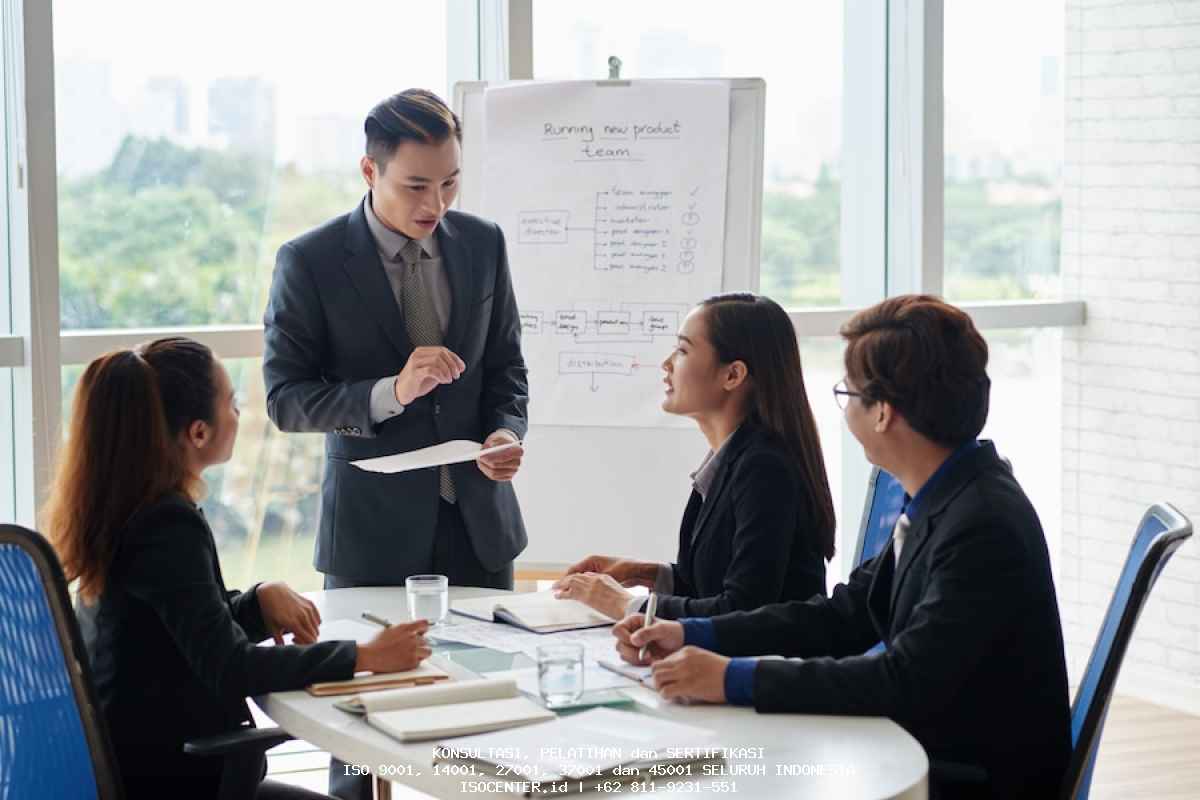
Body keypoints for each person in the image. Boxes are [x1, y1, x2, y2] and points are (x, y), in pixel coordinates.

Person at [613, 295, 1072, 799]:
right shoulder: (948, 495)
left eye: (846, 393)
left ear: (883, 413)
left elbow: (903, 681)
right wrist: (688, 631)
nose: (842, 410)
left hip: (969, 779)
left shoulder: (981, 524)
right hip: (933, 750)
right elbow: (845, 616)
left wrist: (733, 678)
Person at [262, 88, 527, 800]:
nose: (435, 203)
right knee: (359, 735)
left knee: (492, 725)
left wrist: (507, 431)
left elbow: (507, 369)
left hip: (478, 523)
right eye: (416, 185)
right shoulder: (309, 261)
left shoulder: (484, 243)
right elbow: (285, 398)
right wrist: (389, 392)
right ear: (368, 171)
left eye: (450, 182)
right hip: (371, 535)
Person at [44, 337, 431, 800]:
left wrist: (255, 601)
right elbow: (231, 667)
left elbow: (184, 626)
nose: (239, 414)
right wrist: (366, 657)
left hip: (135, 770)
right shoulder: (166, 524)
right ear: (198, 433)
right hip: (176, 781)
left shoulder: (127, 509)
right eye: (230, 403)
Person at [552, 293, 834, 621]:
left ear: (733, 375)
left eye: (683, 350)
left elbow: (742, 611)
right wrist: (644, 573)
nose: (667, 363)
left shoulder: (765, 468)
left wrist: (626, 606)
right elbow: (712, 585)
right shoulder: (732, 458)